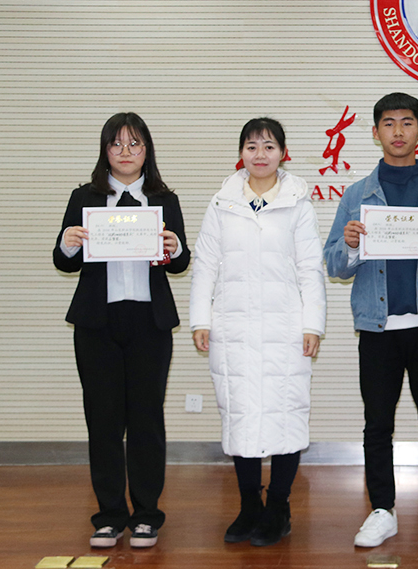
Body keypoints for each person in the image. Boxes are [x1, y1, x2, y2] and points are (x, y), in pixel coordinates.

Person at [324, 93, 418, 550]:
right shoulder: (357, 196)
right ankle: (382, 510)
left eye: (407, 122)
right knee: (377, 424)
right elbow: (333, 263)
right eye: (389, 123)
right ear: (376, 132)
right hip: (377, 328)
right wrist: (350, 245)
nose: (398, 131)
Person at [53, 112, 190, 549]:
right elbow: (64, 261)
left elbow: (180, 262)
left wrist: (175, 247)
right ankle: (109, 516)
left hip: (150, 322)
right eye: (116, 144)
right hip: (97, 323)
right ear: (105, 150)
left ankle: (147, 515)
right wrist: (67, 243)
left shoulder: (164, 199)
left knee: (147, 420)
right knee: (103, 420)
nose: (125, 152)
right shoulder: (85, 197)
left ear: (147, 150)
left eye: (134, 144)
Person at [189, 118, 326, 547]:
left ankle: (278, 507)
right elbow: (205, 265)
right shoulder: (222, 203)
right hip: (233, 326)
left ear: (283, 153)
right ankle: (249, 505)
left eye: (268, 146)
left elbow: (310, 268)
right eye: (251, 146)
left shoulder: (298, 203)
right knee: (240, 413)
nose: (260, 154)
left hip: (286, 327)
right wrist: (200, 319)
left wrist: (312, 325)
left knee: (286, 412)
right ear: (241, 154)